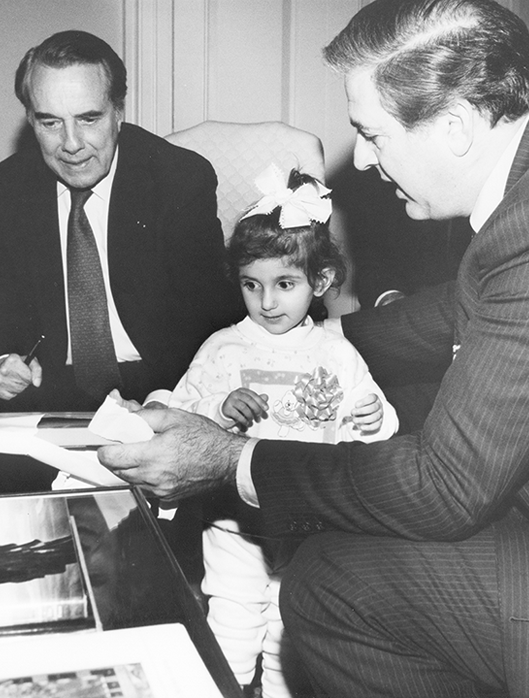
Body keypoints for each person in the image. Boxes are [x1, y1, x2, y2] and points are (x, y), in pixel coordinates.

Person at [101, 0, 529, 693]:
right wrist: (309, 341)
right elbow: (453, 312)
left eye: (372, 133)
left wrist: (228, 459)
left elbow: (446, 487)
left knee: (333, 584)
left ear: (453, 127)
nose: (359, 159)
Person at [159, 169, 392, 696]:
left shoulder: (336, 351)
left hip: (309, 522)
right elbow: (180, 410)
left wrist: (374, 417)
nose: (266, 302)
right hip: (234, 523)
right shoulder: (224, 346)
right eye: (251, 285)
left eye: (284, 284)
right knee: (233, 626)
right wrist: (219, 407)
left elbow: (369, 416)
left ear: (321, 282)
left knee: (294, 629)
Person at [0, 29, 241, 414]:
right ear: (29, 119)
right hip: (47, 395)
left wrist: (163, 400)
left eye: (88, 118)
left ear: (118, 111)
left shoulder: (177, 179)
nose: (71, 144)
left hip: (163, 385)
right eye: (50, 122)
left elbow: (209, 318)